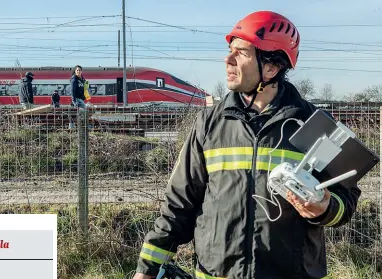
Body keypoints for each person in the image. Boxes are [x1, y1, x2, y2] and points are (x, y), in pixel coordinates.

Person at [133, 11, 361, 279]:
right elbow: (179, 204)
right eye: (230, 51)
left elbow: (346, 198)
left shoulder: (314, 125)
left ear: (271, 67)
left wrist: (325, 208)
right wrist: (146, 270)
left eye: (240, 53)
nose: (227, 60)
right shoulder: (209, 122)